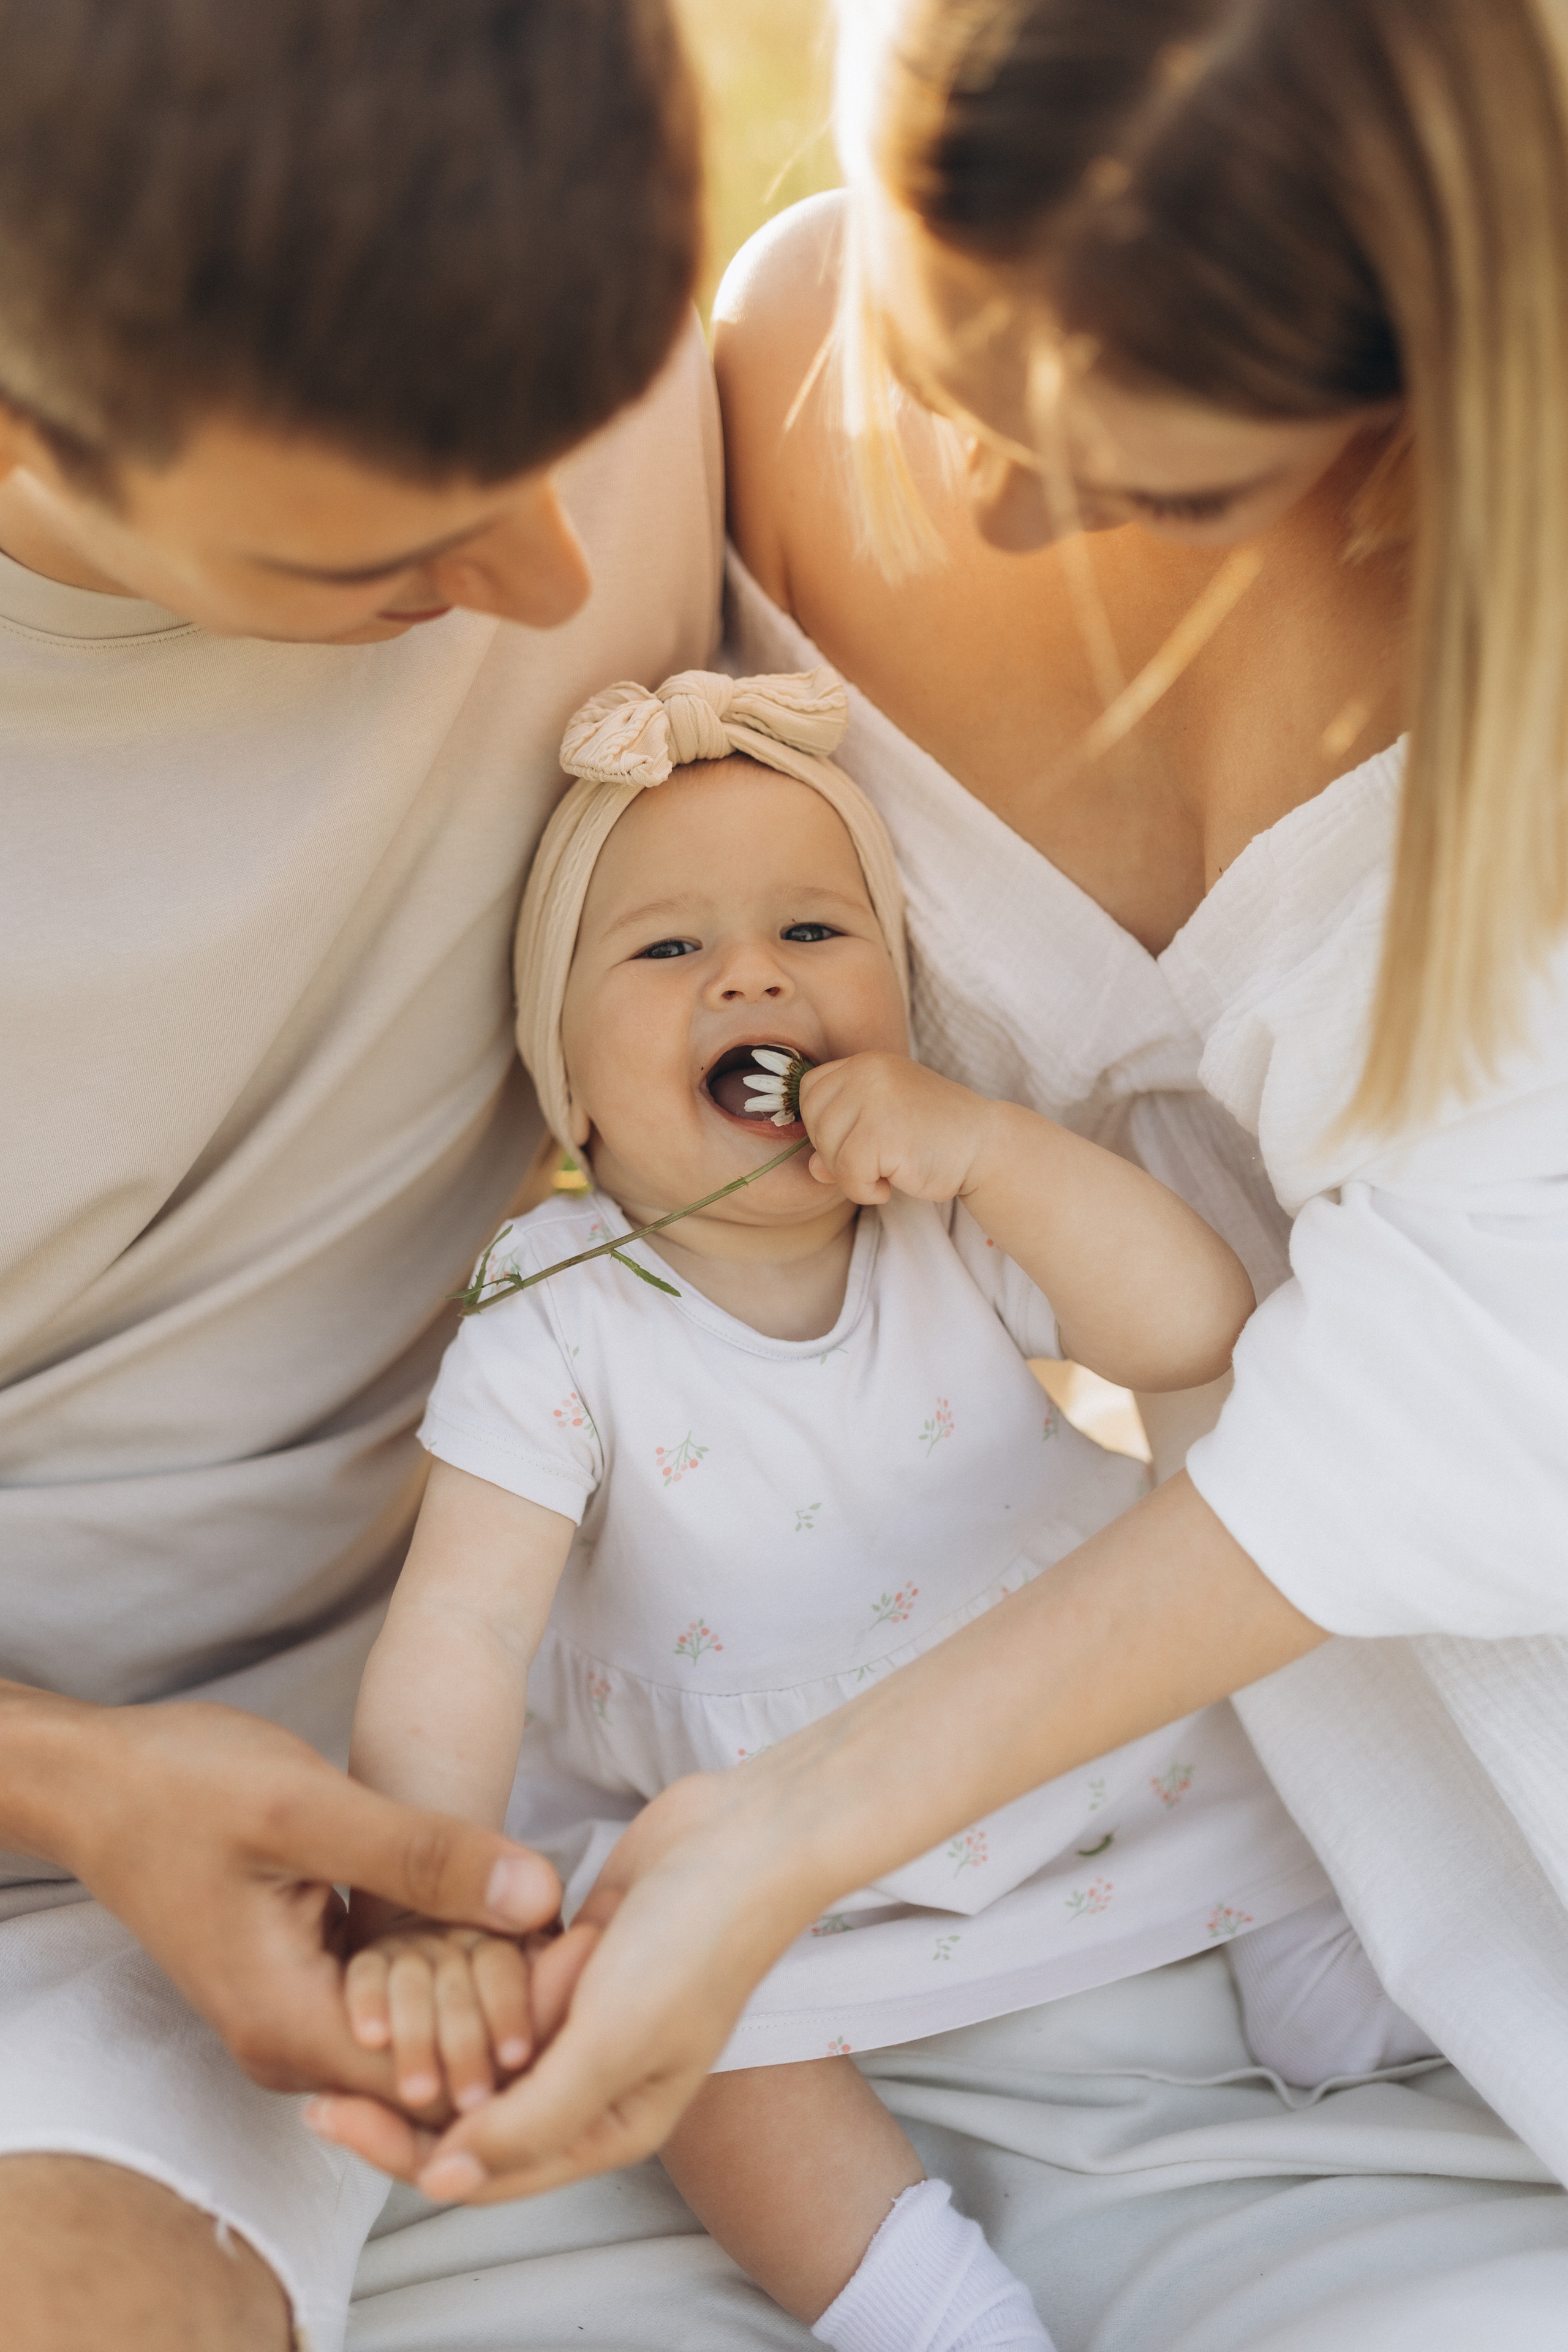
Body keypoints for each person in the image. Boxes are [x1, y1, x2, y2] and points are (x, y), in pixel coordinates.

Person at [308, 0, 1568, 2302]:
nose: (984, 508)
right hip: (1146, 1755)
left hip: (1452, 1793)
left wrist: (790, 1833)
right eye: (942, 367)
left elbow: (1458, 1393)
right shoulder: (756, 384)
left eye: (1158, 484)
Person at [0, 4, 721, 2348]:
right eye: (406, 552)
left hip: (281, 1863)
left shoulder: (583, 308)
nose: (549, 577)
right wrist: (71, 1780)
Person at [339, 659, 1322, 2351]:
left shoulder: (945, 1213)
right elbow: (462, 1631)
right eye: (666, 949)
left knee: (1331, 1795)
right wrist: (422, 1896)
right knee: (696, 2052)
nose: (750, 970)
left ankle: (1357, 2016)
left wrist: (994, 1151)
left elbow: (1194, 1331)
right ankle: (922, 2304)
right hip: (749, 1839)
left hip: (1086, 1742)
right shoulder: (558, 1303)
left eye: (814, 934)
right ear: (565, 1092)